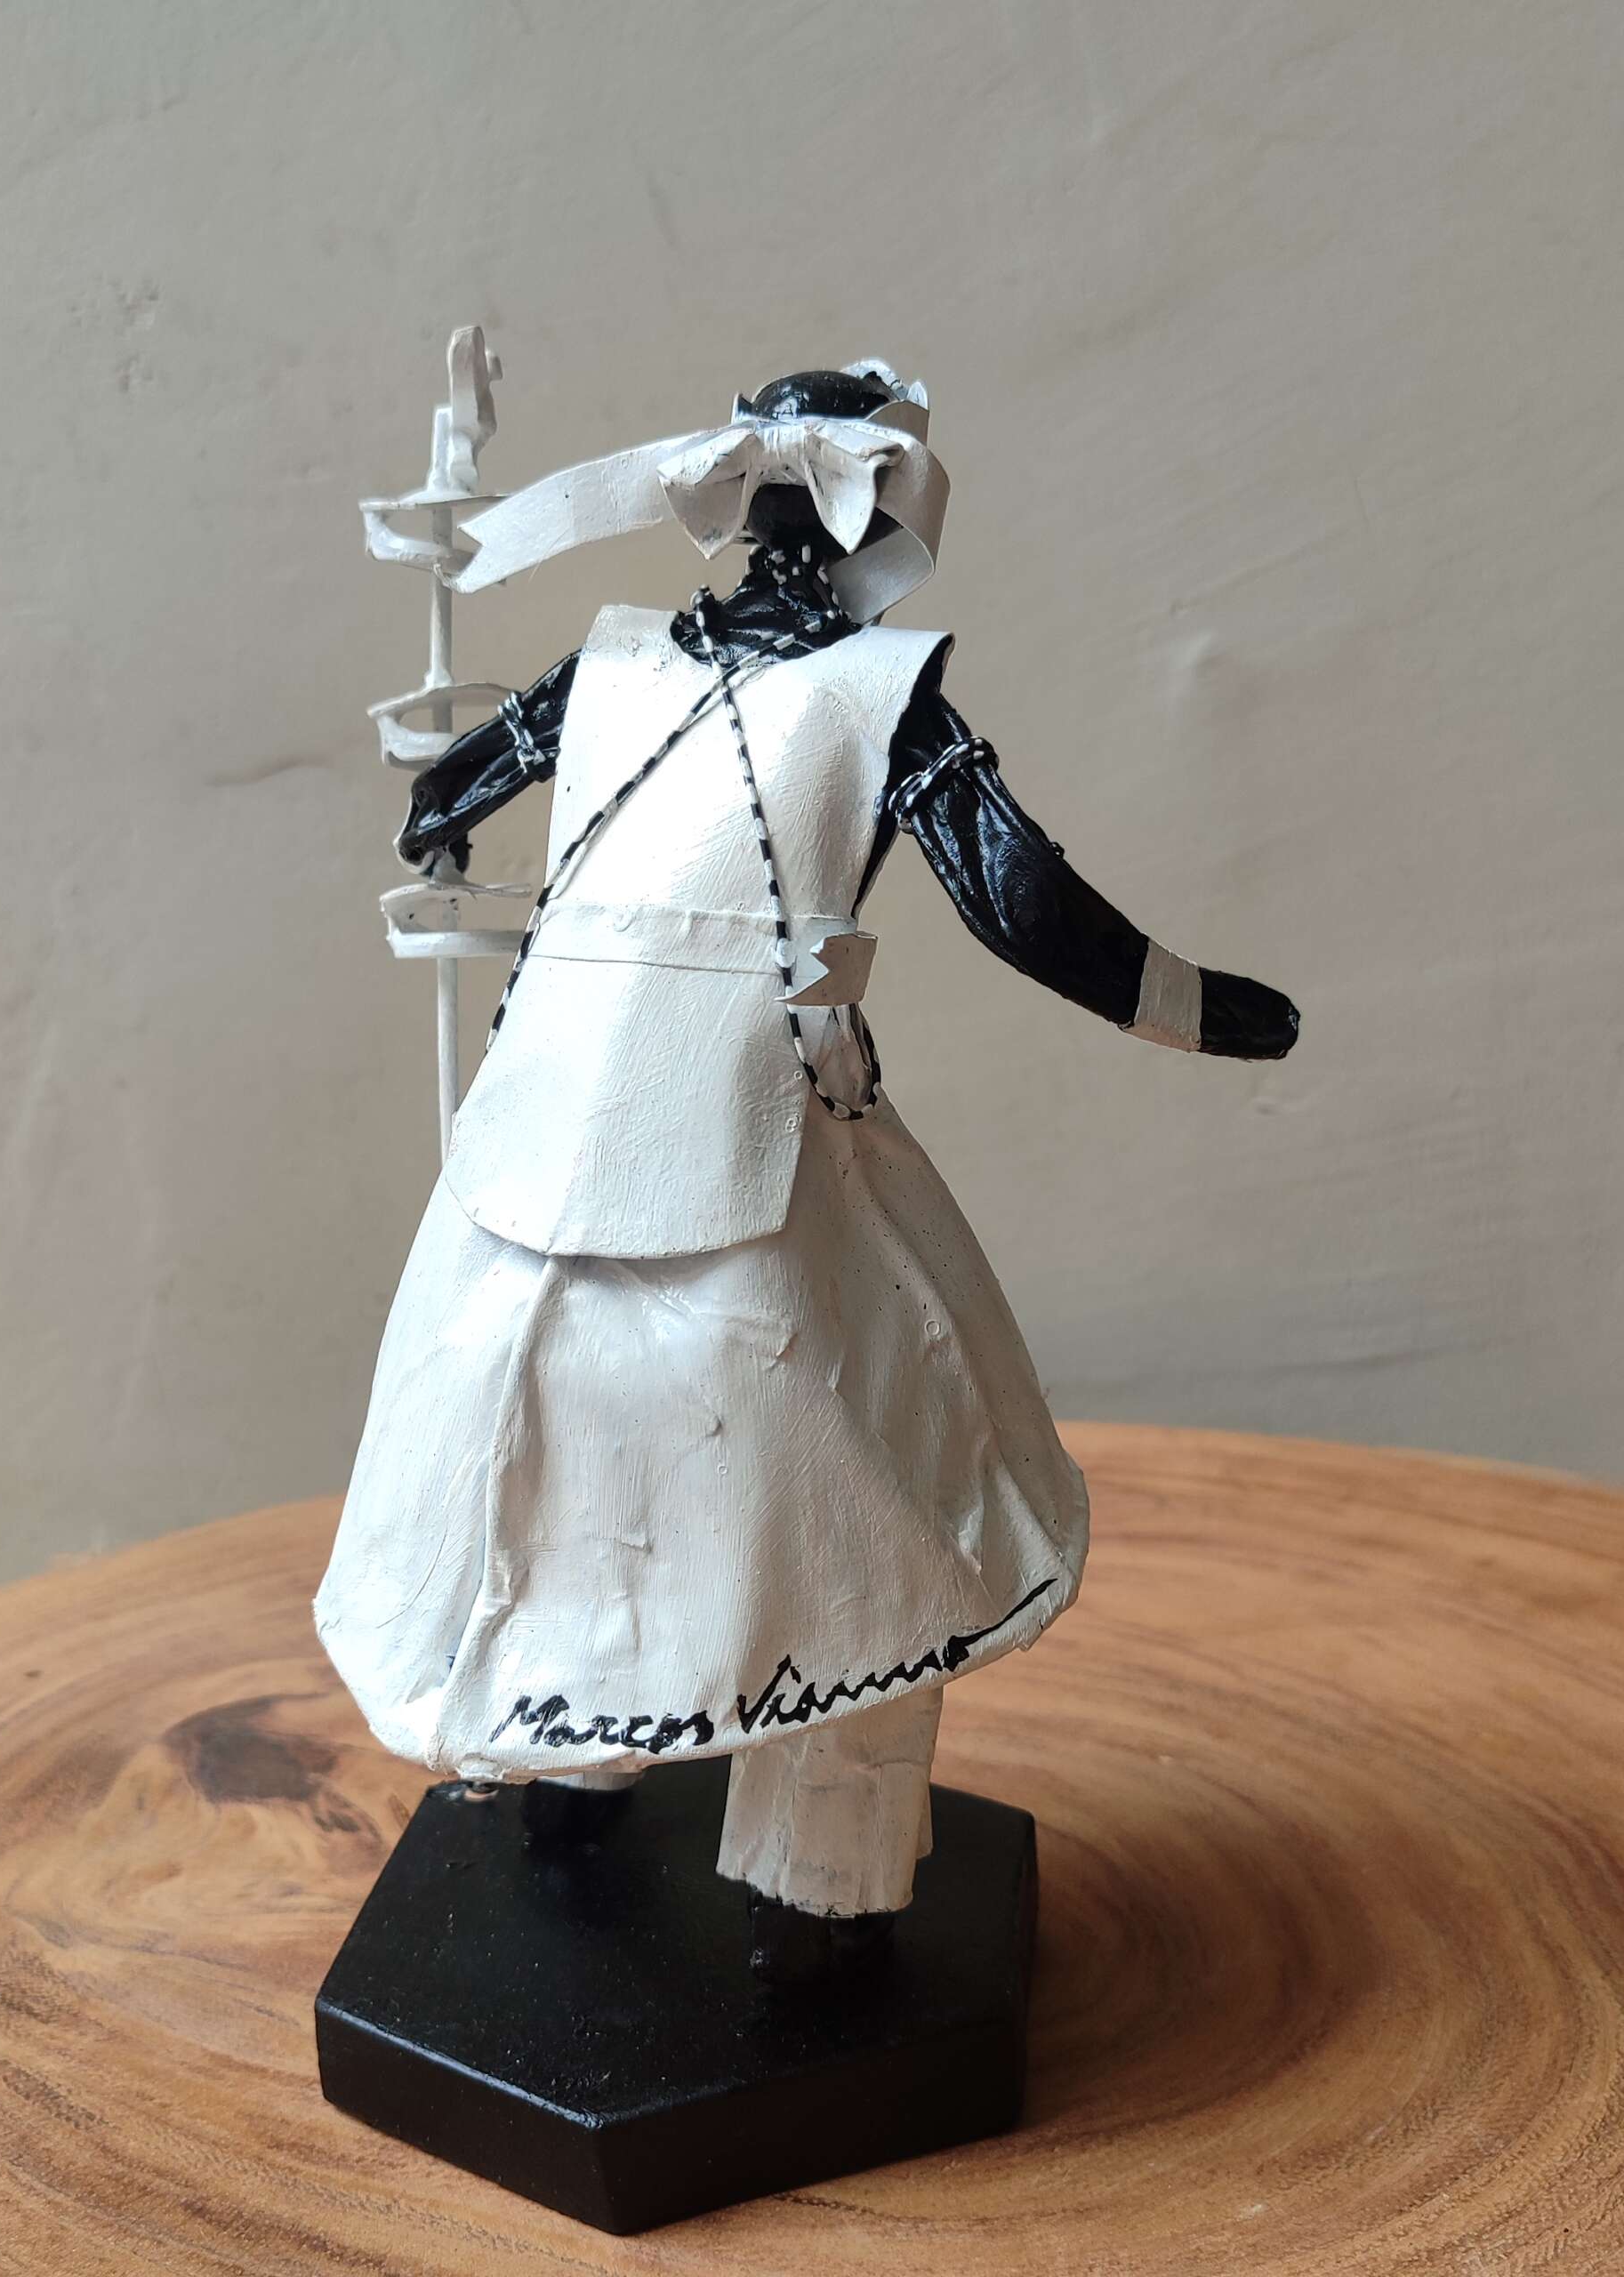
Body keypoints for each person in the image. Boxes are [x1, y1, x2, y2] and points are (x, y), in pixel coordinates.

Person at [315, 363, 1298, 1983]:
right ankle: (820, 1869)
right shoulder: (877, 692)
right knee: (863, 1511)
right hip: (735, 1162)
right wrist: (1204, 1011)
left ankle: (569, 1776)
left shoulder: (614, 665)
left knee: (558, 1467)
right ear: (878, 520)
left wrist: (437, 815)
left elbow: (462, 779)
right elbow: (1028, 907)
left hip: (542, 1139)